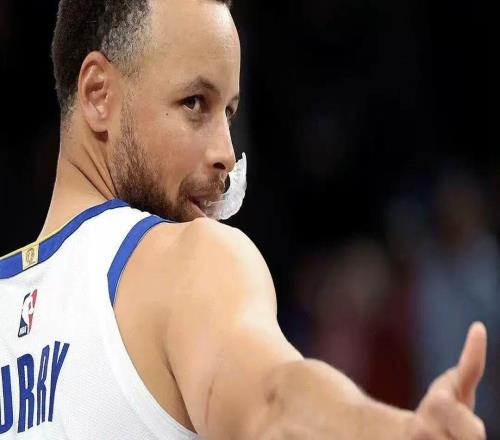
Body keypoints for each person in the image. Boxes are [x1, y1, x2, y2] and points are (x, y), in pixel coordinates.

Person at [0, 0, 487, 438]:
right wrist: (393, 432)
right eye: (195, 103)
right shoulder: (189, 260)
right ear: (98, 94)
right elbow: (273, 403)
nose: (227, 154)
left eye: (229, 114)